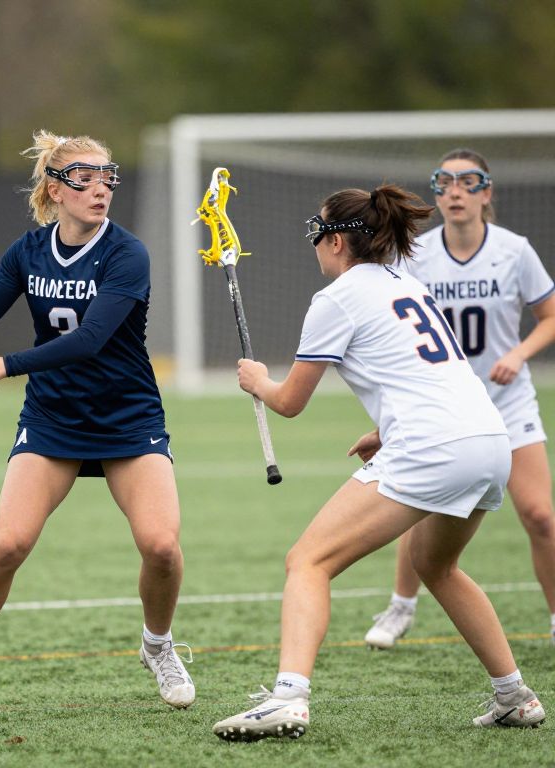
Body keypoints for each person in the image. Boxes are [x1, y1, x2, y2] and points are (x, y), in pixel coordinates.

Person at [212, 183, 546, 742]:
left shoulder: (336, 298)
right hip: (489, 439)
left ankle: (288, 698)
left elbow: (290, 402)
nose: (314, 244)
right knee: (435, 565)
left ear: (338, 241)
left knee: (308, 561)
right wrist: (386, 431)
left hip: (435, 447)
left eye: (318, 232)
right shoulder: (407, 283)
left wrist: (256, 380)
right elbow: (430, 378)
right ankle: (515, 695)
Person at [0, 130, 193, 711]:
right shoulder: (27, 251)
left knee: (161, 545)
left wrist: (6, 365)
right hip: (53, 418)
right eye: (84, 177)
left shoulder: (127, 253)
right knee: (8, 544)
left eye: (108, 176)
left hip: (127, 418)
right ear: (55, 188)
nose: (101, 188)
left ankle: (158, 646)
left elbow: (90, 340)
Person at [363, 149, 555, 650]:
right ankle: (401, 606)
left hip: (507, 402)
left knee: (540, 516)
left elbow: (550, 316)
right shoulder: (416, 257)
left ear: (486, 193)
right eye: (444, 182)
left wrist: (518, 353)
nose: (454, 191)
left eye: (468, 182)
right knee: (421, 505)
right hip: (443, 406)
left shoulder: (514, 251)